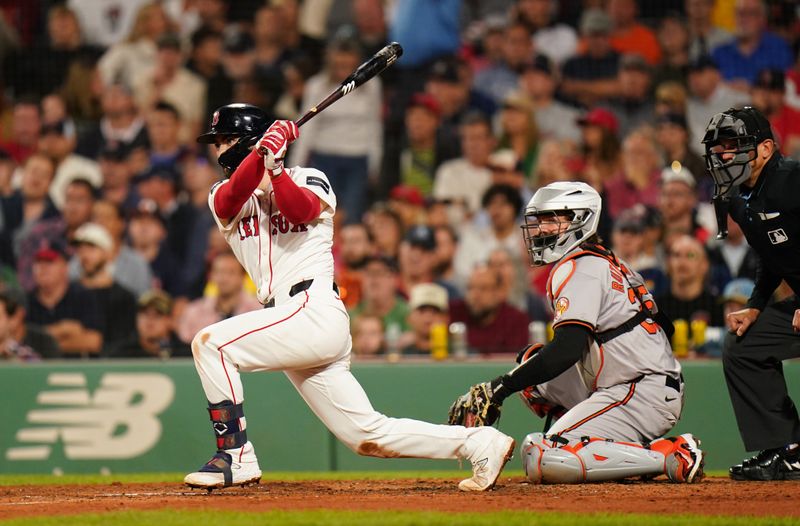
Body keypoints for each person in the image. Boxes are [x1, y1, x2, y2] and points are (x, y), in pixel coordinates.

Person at [183, 103, 515, 491]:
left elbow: (302, 210)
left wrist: (273, 168)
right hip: (287, 319)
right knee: (364, 434)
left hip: (312, 309)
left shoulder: (309, 177)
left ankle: (236, 456)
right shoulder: (222, 193)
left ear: (248, 141)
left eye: (225, 141)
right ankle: (479, 442)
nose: (218, 150)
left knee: (212, 344)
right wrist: (260, 157)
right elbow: (230, 200)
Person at [449, 181, 704, 484]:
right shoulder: (605, 259)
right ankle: (591, 440)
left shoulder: (581, 266)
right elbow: (666, 326)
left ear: (581, 219)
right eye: (539, 220)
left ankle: (669, 455)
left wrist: (499, 388)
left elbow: (568, 349)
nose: (541, 228)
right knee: (531, 370)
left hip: (639, 389)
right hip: (640, 381)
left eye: (551, 219)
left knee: (541, 456)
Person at [702, 106, 800, 480]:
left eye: (734, 145)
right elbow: (771, 255)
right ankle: (786, 450)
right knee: (745, 343)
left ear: (765, 149)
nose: (724, 155)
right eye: (719, 147)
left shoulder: (793, 178)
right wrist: (757, 304)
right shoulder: (738, 196)